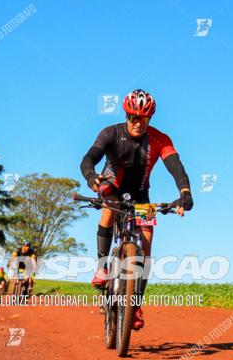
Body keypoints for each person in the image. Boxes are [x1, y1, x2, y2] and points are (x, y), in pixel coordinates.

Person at [80, 89, 193, 330]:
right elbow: (89, 157)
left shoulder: (159, 138)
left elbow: (175, 166)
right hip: (112, 188)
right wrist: (91, 177)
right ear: (127, 116)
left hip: (142, 196)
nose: (138, 124)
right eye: (134, 118)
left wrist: (185, 192)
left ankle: (135, 304)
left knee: (147, 243)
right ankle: (102, 267)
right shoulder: (111, 133)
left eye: (144, 119)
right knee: (109, 207)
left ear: (150, 119)